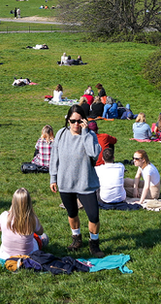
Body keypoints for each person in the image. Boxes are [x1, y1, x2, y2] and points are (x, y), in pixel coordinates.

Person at [49, 104, 105, 257]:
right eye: (73, 121)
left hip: (85, 183)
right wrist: (53, 178)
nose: (76, 124)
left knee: (93, 216)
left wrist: (86, 133)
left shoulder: (90, 135)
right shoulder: (60, 134)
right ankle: (77, 238)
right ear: (67, 120)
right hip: (65, 182)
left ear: (84, 121)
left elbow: (94, 153)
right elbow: (55, 158)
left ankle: (94, 243)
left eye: (79, 121)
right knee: (72, 213)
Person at [0, 188, 47, 260]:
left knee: (3, 233)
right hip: (28, 255)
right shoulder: (32, 218)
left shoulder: (4, 215)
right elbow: (40, 232)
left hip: (6, 255)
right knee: (41, 237)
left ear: (13, 201)